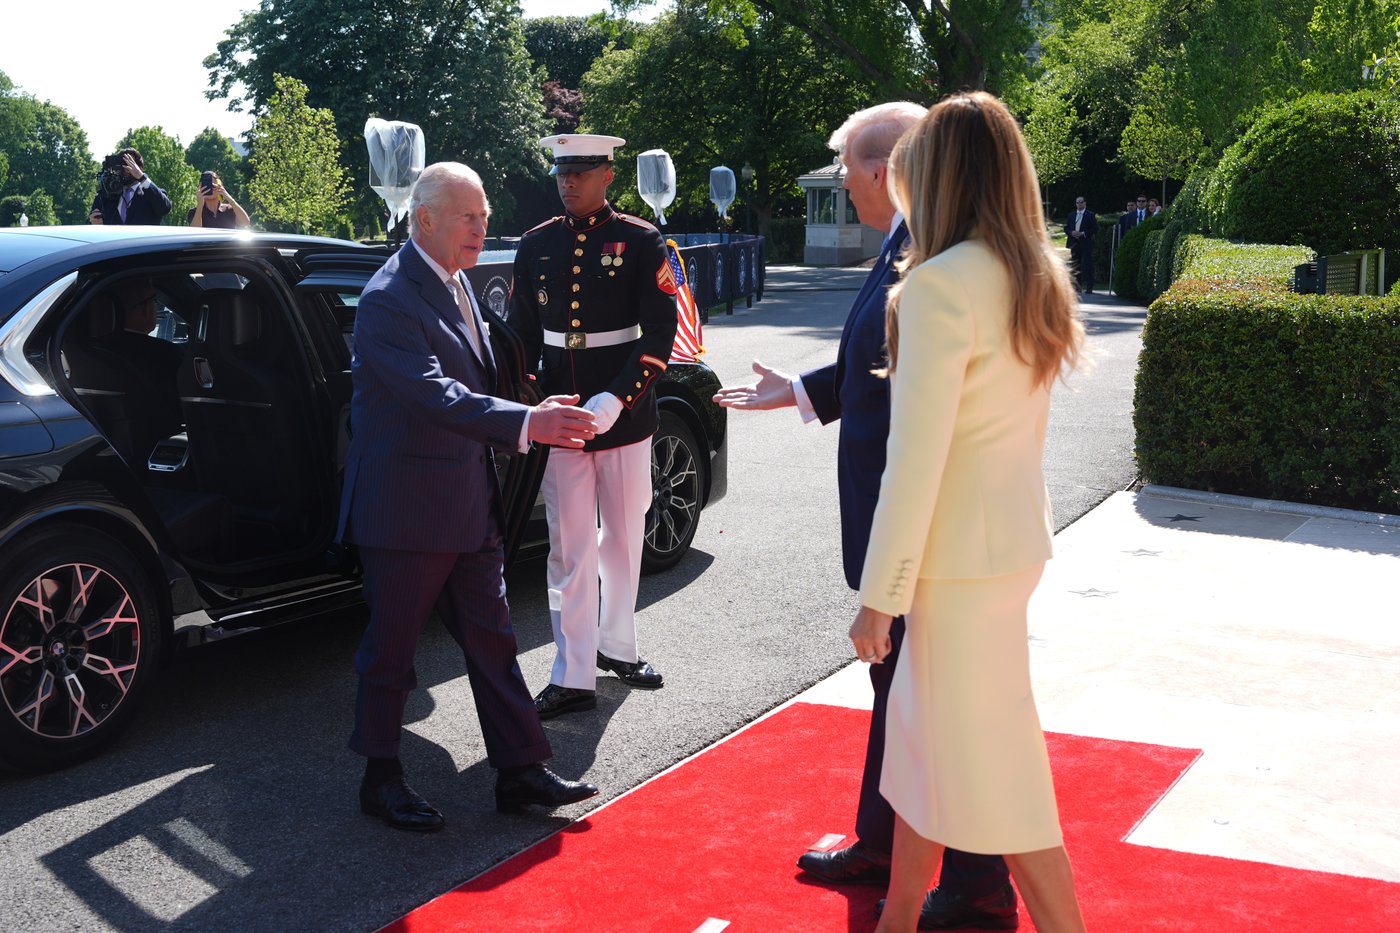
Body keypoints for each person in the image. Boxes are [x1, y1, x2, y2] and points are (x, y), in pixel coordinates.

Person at [713, 102, 1019, 932]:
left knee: (936, 711)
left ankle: (979, 885)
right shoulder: (911, 242)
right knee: (901, 694)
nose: (844, 185)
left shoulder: (937, 258)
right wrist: (800, 390)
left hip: (923, 530)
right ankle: (887, 843)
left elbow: (916, 411)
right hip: (910, 524)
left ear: (886, 170)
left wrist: (885, 583)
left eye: (848, 169)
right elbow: (875, 364)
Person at [847, 92, 1086, 933]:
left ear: (937, 177)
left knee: (995, 770)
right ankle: (898, 917)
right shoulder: (1033, 273)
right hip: (1004, 549)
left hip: (954, 566)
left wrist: (879, 596)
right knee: (925, 747)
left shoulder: (939, 286)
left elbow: (916, 461)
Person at [340, 161, 602, 832]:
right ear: (425, 219)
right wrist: (527, 422)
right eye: (468, 216)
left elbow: (479, 378)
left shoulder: (454, 280)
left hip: (466, 499)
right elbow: (434, 394)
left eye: (484, 216)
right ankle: (380, 778)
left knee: (494, 638)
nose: (482, 227)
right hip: (407, 509)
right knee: (392, 651)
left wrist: (532, 402)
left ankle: (520, 771)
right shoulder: (389, 296)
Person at [508, 133, 678, 720]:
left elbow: (659, 333)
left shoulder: (640, 239)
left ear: (608, 173)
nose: (568, 182)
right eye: (562, 172)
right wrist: (533, 396)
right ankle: (572, 671)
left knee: (624, 538)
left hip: (623, 416)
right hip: (561, 416)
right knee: (569, 547)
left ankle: (619, 647)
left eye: (580, 172)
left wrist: (617, 399)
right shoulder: (537, 243)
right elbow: (522, 335)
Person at [89, 148, 171, 225]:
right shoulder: (105, 196)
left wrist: (142, 177)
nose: (126, 169)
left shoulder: (151, 193)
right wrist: (93, 222)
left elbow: (164, 208)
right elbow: (89, 223)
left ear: (140, 168)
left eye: (130, 164)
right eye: (122, 165)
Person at [1063, 197, 1097, 294]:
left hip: (1086, 243)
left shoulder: (1090, 215)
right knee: (1075, 265)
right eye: (1077, 202)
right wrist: (1071, 232)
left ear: (1085, 203)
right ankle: (1077, 286)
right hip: (1074, 243)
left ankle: (1089, 287)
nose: (1079, 204)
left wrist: (1083, 233)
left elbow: (1095, 228)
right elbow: (1066, 228)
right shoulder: (1071, 215)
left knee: (1087, 264)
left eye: (1081, 202)